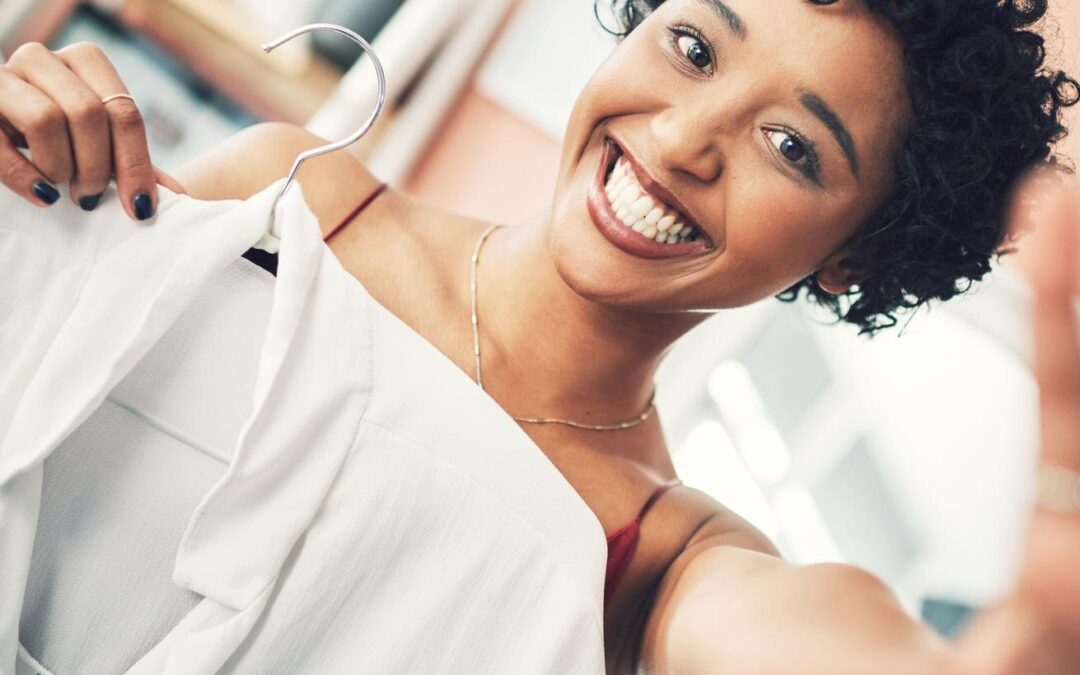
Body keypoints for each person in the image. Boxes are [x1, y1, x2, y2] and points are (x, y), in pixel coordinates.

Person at [0, 0, 1077, 671]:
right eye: (695, 45)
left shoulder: (664, 555)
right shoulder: (294, 194)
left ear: (854, 256)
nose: (685, 139)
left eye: (793, 147)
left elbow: (804, 639)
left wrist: (1014, 649)